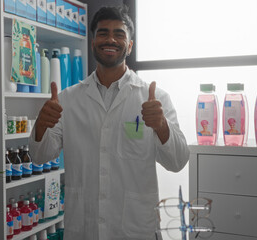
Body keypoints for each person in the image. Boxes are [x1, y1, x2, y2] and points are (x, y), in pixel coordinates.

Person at [29, 5, 189, 240]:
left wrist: (161, 125)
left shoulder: (155, 99)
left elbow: (178, 161)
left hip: (135, 228)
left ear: (130, 45)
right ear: (93, 42)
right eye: (103, 33)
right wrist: (41, 124)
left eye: (119, 34)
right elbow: (40, 156)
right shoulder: (68, 100)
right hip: (84, 227)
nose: (111, 39)